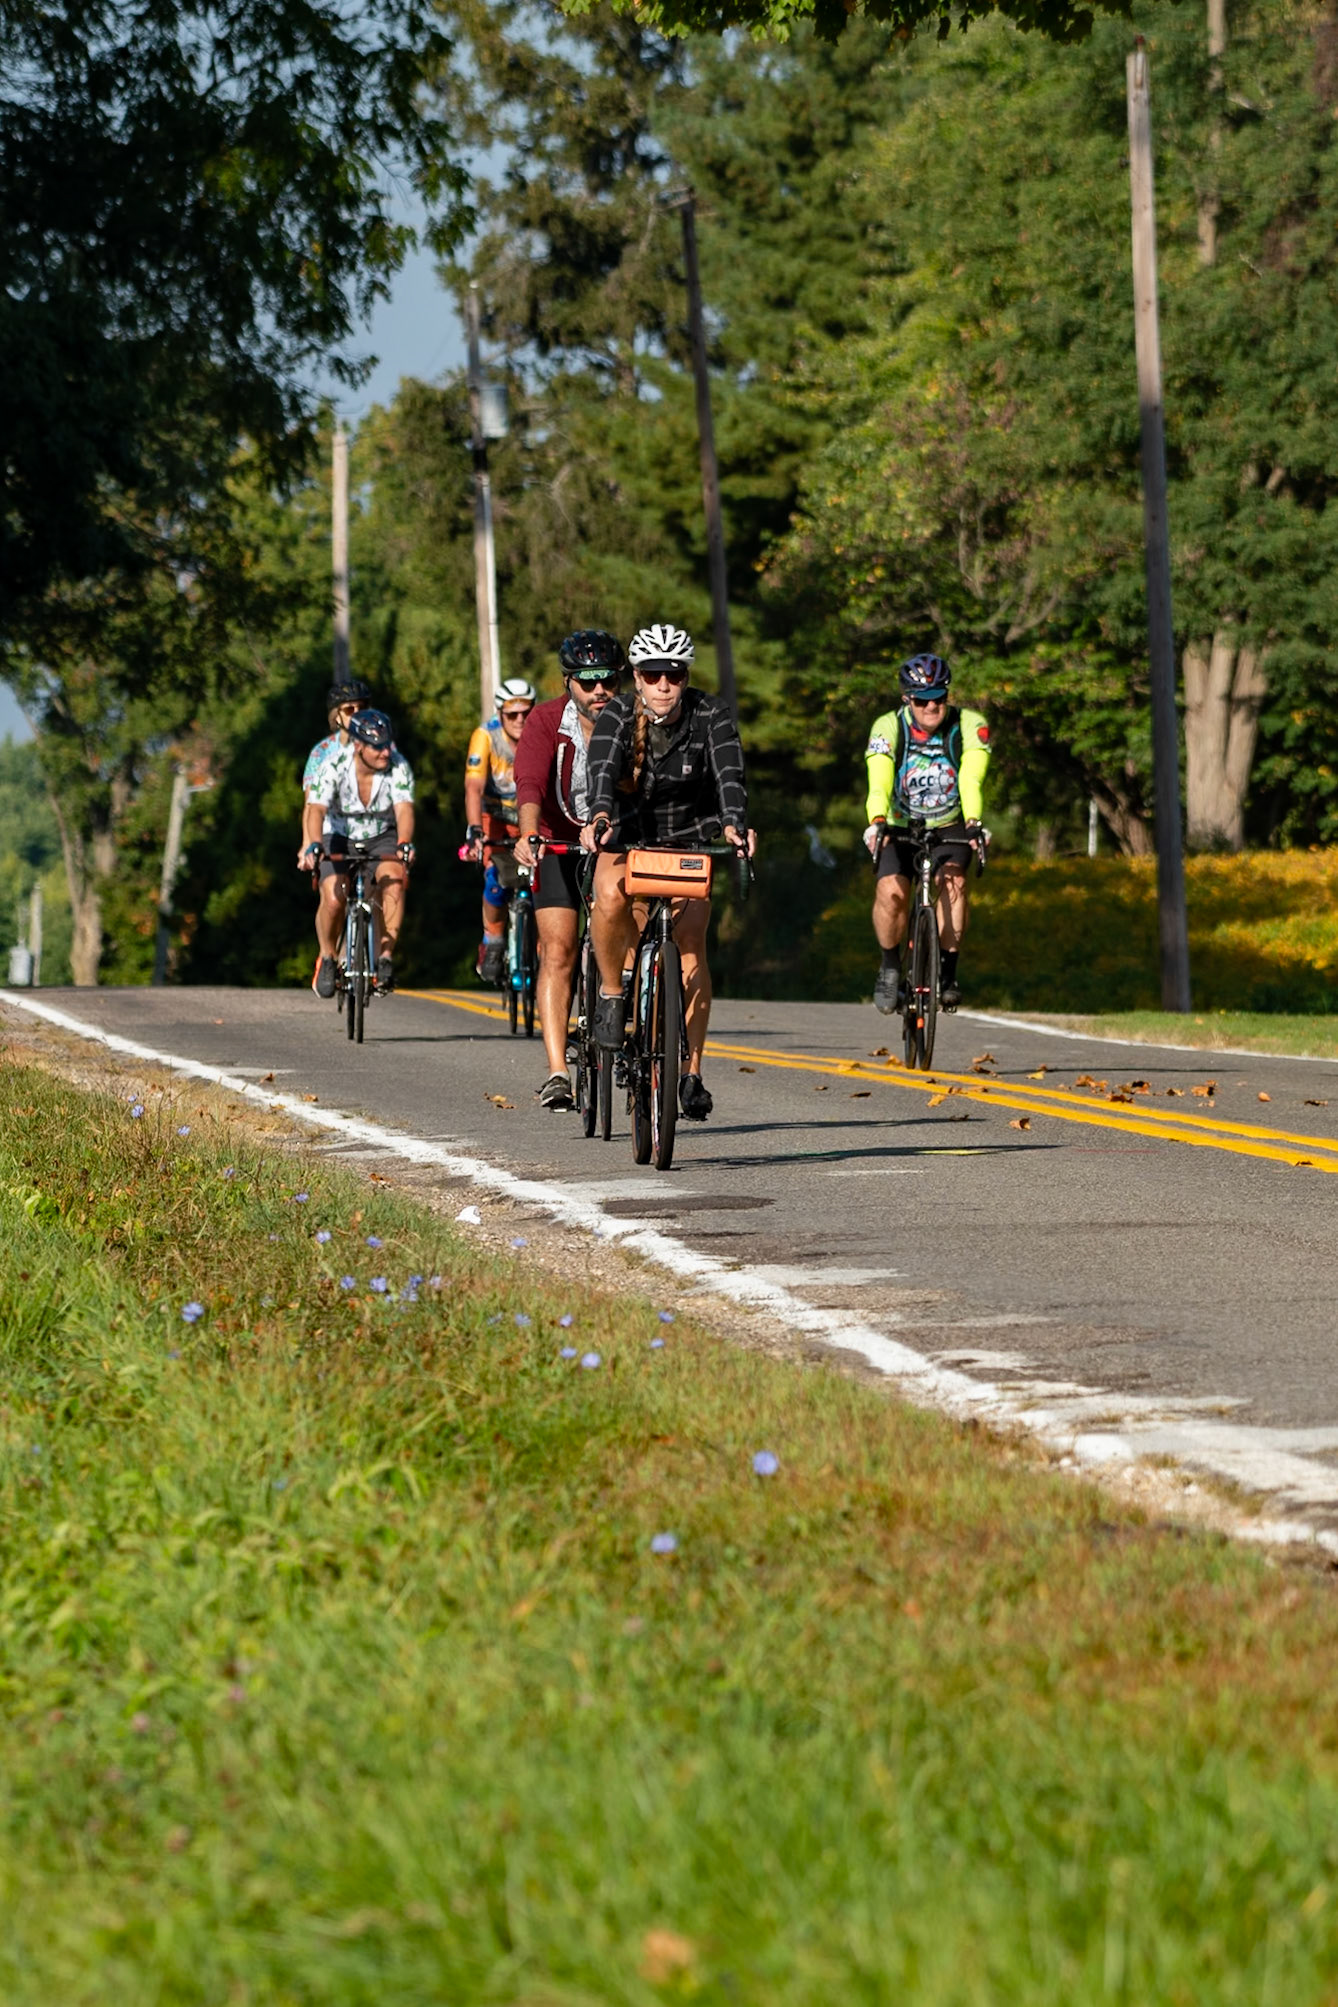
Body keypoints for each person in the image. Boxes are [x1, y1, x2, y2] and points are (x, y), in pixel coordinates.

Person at [580, 622, 751, 1122]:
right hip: (628, 835)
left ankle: (691, 1072)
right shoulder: (617, 714)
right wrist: (600, 816)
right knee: (609, 897)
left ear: (685, 677)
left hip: (689, 840)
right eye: (652, 675)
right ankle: (612, 995)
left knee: (691, 945)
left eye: (672, 675)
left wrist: (735, 824)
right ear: (636, 677)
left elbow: (730, 775)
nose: (662, 685)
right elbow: (602, 771)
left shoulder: (711, 714)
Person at [514, 631, 628, 1109]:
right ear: (568, 682)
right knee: (558, 950)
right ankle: (558, 1071)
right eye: (588, 681)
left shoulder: (633, 719)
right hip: (558, 840)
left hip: (616, 840)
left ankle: (632, 1022)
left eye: (608, 681)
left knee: (628, 933)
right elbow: (529, 783)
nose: (599, 690)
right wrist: (528, 834)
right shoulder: (544, 720)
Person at [863, 653, 990, 1014]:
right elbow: (879, 779)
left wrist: (974, 822)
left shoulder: (968, 724)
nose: (932, 706)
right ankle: (890, 966)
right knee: (892, 893)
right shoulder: (887, 726)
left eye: (939, 697)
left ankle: (947, 974)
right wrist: (876, 820)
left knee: (954, 882)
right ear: (907, 699)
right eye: (922, 700)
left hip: (950, 823)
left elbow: (971, 776)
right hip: (899, 823)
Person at [301, 708, 416, 999]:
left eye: (387, 744)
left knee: (394, 882)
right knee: (334, 896)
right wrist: (315, 844)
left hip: (381, 835)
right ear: (358, 746)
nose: (385, 752)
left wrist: (404, 842)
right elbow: (316, 809)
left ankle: (385, 958)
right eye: (377, 747)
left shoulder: (398, 765)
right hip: (339, 835)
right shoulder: (333, 765)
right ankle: (327, 957)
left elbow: (404, 809)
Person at [463, 677, 537, 983]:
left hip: (531, 816)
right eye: (512, 715)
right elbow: (473, 786)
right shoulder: (485, 736)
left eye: (526, 713)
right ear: (500, 714)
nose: (520, 720)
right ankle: (492, 941)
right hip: (494, 816)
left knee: (545, 884)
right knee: (495, 879)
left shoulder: (541, 731)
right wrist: (474, 830)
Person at [301, 679, 372, 850]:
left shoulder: (381, 747)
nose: (357, 714)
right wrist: (307, 844)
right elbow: (310, 804)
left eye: (361, 708)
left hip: (375, 836)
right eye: (349, 709)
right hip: (333, 835)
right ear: (337, 716)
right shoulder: (321, 753)